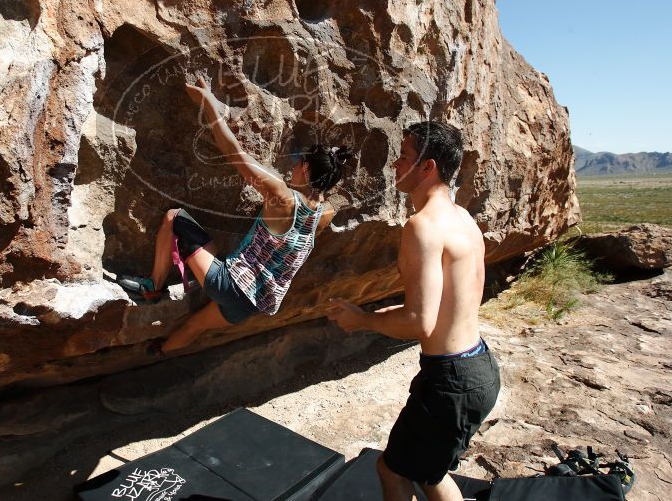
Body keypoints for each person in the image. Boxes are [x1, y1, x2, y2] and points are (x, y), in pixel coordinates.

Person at [327, 121, 500, 501]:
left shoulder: (421, 227)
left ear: (428, 167)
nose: (394, 165)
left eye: (403, 157)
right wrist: (383, 311)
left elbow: (420, 322)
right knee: (429, 471)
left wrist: (361, 320)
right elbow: (447, 305)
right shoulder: (465, 221)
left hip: (449, 381)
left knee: (392, 471)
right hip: (478, 366)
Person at [120, 77, 350, 354]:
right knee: (196, 324)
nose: (294, 166)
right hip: (251, 305)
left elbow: (234, 153)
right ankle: (158, 352)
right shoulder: (324, 214)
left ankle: (153, 287)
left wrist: (209, 105)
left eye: (299, 161)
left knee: (173, 217)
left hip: (229, 285)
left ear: (307, 169)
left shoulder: (282, 196)